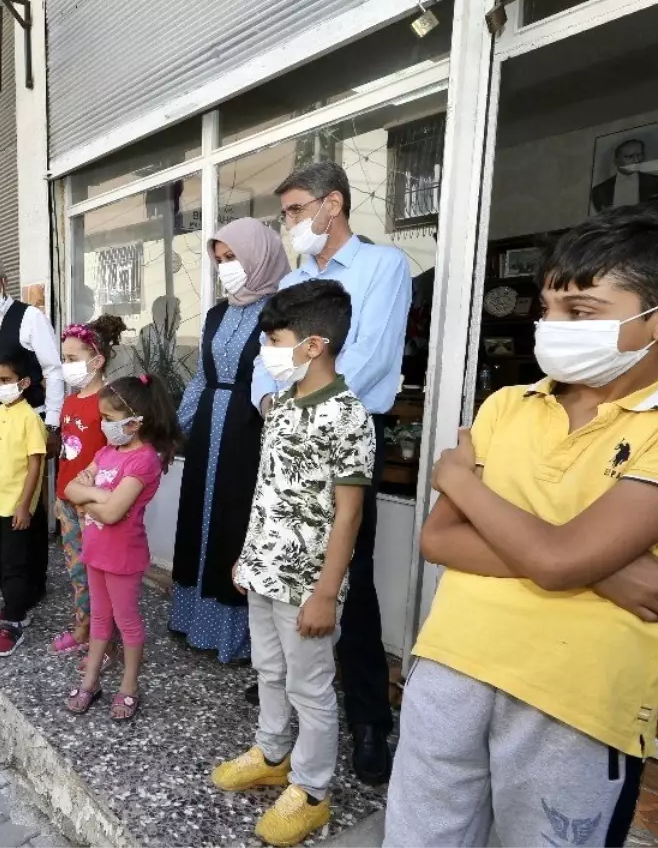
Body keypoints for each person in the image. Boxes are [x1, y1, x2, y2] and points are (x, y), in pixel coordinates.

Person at [383, 204, 658, 847]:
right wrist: (604, 567)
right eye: (547, 309)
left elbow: (558, 561)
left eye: (580, 312)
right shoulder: (508, 404)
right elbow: (440, 539)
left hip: (577, 694)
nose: (551, 328)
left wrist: (462, 482)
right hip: (452, 661)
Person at [251, 161, 411, 783]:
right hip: (285, 427)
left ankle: (370, 717)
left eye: (294, 211)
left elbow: (366, 358)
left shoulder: (382, 267)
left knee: (348, 576)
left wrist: (304, 405)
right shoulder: (296, 278)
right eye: (286, 213)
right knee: (277, 554)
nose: (289, 223)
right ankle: (285, 694)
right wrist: (276, 405)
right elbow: (267, 365)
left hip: (342, 430)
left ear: (332, 204)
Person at [213, 281, 373, 846]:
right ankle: (273, 751)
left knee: (313, 687)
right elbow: (270, 492)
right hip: (263, 569)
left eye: (275, 340)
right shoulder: (281, 406)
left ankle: (311, 790)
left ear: (313, 344)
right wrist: (247, 556)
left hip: (308, 583)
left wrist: (327, 592)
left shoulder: (348, 415)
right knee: (271, 671)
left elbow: (348, 514)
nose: (267, 351)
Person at [170, 218, 290, 665]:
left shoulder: (281, 311)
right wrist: (176, 431)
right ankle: (191, 620)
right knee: (200, 517)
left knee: (235, 523)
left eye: (233, 257)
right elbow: (203, 375)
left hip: (249, 427)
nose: (226, 268)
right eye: (220, 260)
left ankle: (233, 636)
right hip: (208, 428)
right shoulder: (217, 314)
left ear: (258, 256)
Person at [64, 374, 181, 721]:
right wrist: (98, 497)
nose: (103, 426)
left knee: (126, 621)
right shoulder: (106, 451)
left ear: (135, 422)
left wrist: (90, 500)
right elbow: (71, 489)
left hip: (123, 557)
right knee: (100, 618)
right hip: (96, 551)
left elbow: (115, 513)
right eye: (102, 418)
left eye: (110, 420)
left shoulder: (143, 461)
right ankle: (91, 681)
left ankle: (129, 686)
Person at [0, 252, 63, 596]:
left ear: (4, 283)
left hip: (26, 426)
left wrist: (52, 425)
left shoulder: (29, 317)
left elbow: (52, 370)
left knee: (27, 508)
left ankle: (32, 583)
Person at [53, 315, 127, 661]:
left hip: (94, 506)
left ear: (96, 361)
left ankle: (105, 640)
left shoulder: (109, 402)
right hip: (67, 501)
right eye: (63, 358)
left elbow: (117, 451)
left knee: (99, 574)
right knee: (76, 569)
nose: (65, 365)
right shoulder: (71, 400)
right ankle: (83, 627)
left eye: (72, 359)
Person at [0, 348, 49, 656]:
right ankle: (12, 607)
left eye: (6, 379)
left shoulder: (30, 419)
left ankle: (14, 621)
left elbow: (35, 465)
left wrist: (24, 505)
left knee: (15, 564)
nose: (0, 385)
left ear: (24, 382)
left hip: (15, 505)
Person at [591, 138, 658, 212]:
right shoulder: (599, 191)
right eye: (629, 157)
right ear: (617, 161)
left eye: (639, 155)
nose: (637, 160)